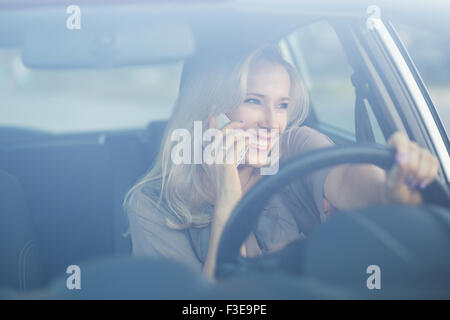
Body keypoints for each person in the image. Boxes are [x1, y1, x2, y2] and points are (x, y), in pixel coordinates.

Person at [123, 45, 440, 279]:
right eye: (253, 101)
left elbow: (348, 181)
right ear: (210, 114)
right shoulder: (152, 205)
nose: (272, 122)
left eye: (282, 105)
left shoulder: (295, 145)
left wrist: (392, 187)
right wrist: (227, 200)